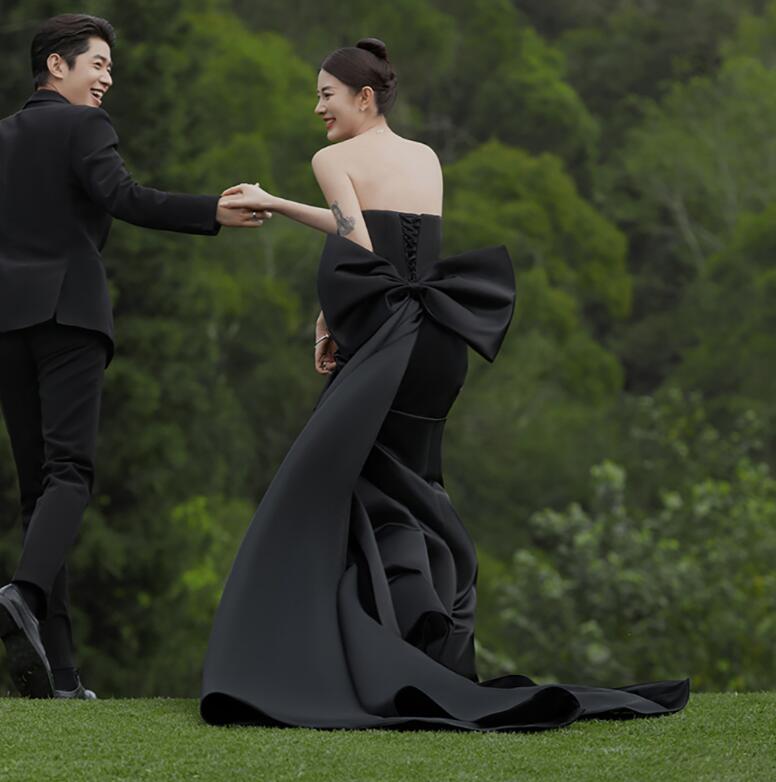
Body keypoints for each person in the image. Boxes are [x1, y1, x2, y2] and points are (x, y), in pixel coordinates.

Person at [200, 38, 690, 730]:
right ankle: (423, 637)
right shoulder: (426, 156)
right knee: (414, 486)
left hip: (385, 341)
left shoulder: (331, 159)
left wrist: (283, 223)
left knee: (332, 486)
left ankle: (382, 648)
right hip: (438, 340)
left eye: (326, 95)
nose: (318, 109)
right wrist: (313, 279)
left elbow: (357, 248)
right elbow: (381, 240)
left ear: (363, 97)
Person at [0, 13, 267, 700]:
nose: (107, 78)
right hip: (69, 313)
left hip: (7, 322)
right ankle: (22, 595)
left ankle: (60, 675)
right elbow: (124, 197)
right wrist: (211, 211)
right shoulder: (83, 126)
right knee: (69, 474)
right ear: (55, 65)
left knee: (38, 493)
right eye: (98, 63)